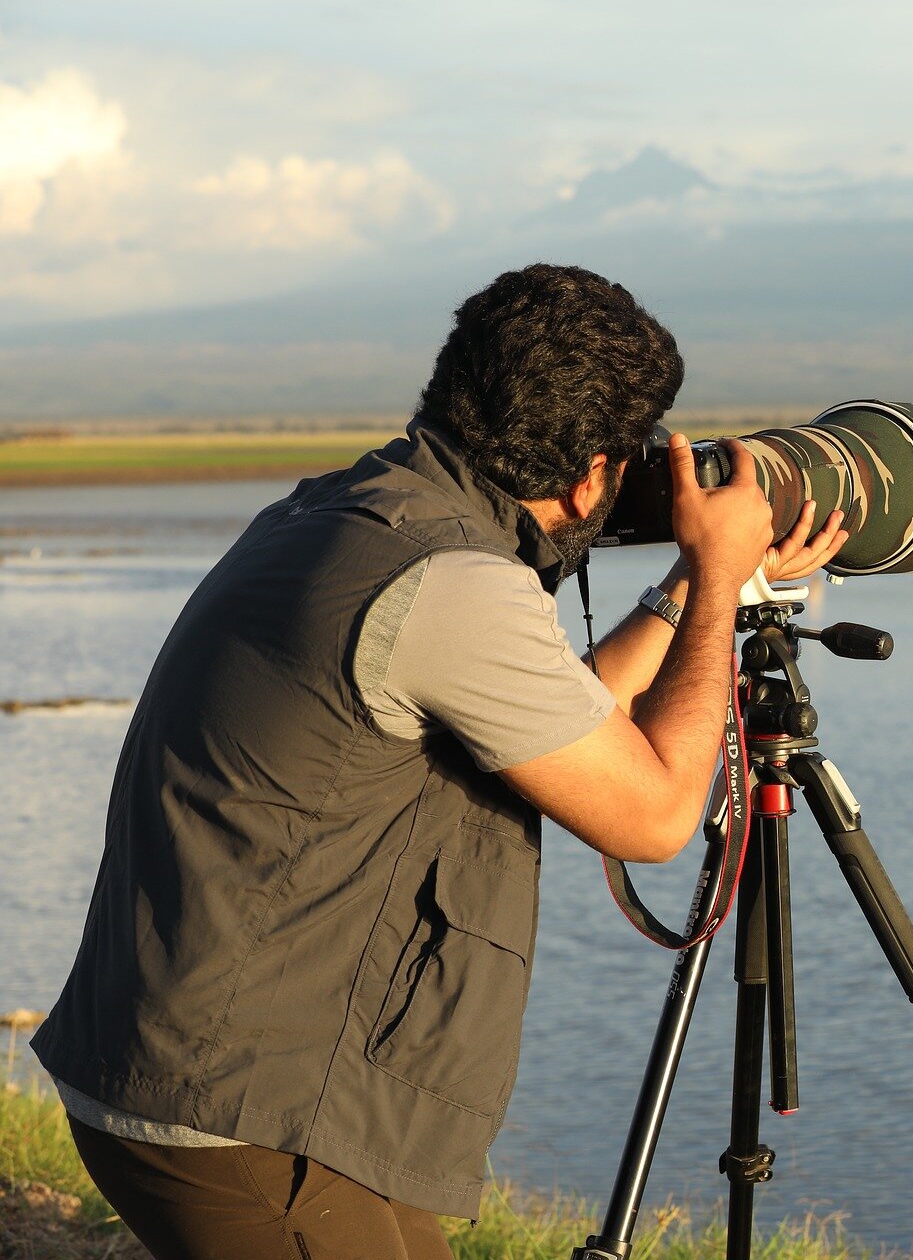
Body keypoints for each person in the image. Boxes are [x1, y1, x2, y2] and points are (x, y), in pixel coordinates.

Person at [30, 264, 847, 1260]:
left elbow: (553, 713)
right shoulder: (451, 584)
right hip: (238, 1117)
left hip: (166, 1070)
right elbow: (657, 814)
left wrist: (690, 583)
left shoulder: (344, 511)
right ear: (593, 470)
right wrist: (723, 574)